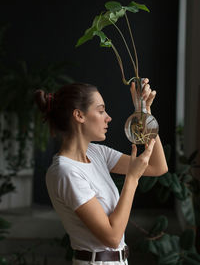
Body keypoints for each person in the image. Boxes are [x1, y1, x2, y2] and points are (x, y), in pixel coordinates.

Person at [34, 79, 168, 265]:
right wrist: (132, 179)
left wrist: (144, 112)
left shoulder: (96, 152)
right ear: (79, 115)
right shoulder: (65, 172)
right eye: (100, 110)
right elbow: (112, 238)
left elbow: (157, 167)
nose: (108, 117)